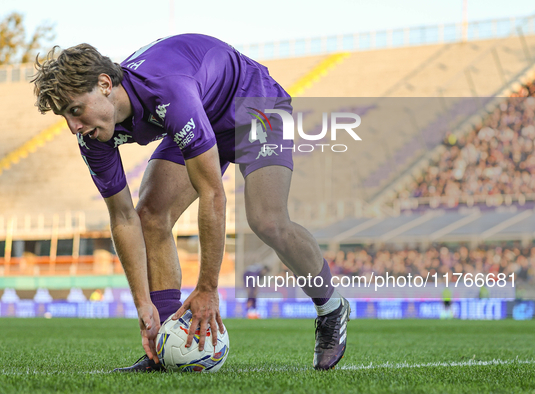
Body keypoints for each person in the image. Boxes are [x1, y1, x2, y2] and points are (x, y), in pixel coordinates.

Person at [32, 34, 350, 371]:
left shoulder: (167, 92)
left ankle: (331, 307)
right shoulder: (92, 136)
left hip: (254, 103)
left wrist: (208, 288)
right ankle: (168, 343)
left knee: (266, 219)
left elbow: (213, 193)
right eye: (65, 116)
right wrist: (144, 306)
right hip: (204, 112)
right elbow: (123, 218)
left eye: (76, 110)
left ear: (105, 84)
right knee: (150, 215)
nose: (73, 127)